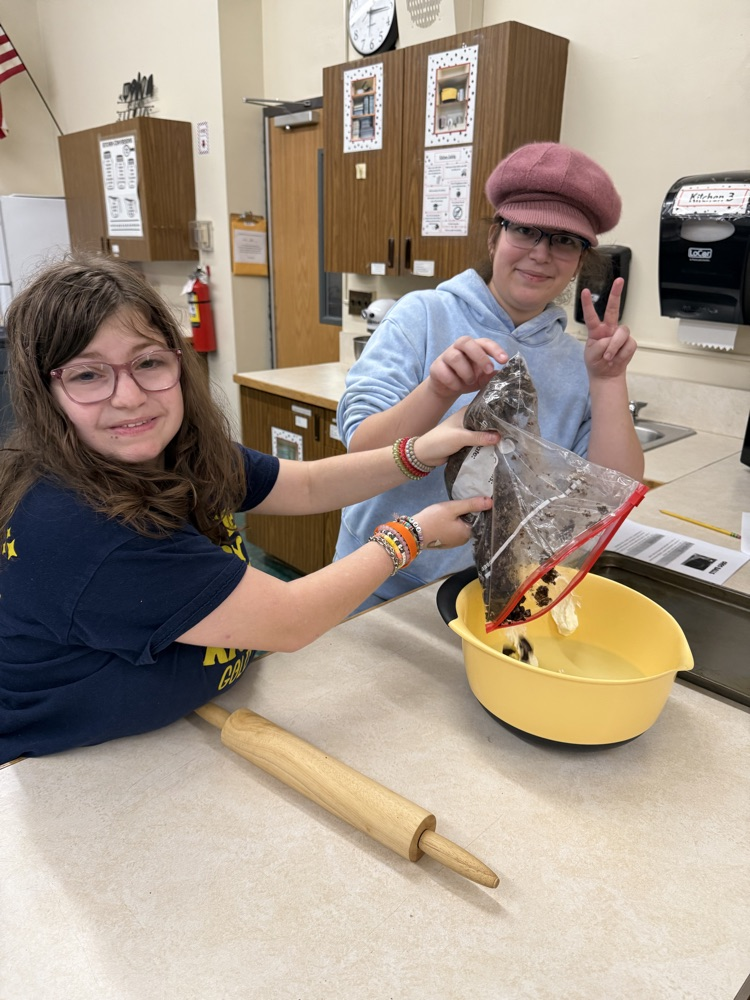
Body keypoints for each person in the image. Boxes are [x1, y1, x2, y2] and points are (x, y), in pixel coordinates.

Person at [0, 254, 501, 762]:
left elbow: (303, 486)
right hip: (66, 769)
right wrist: (412, 534)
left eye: (148, 362)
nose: (129, 397)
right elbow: (289, 620)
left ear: (178, 363)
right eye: (88, 375)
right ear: (44, 393)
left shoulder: (178, 453)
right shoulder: (78, 527)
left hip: (183, 730)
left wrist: (419, 450)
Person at [335, 141, 645, 609]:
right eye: (524, 230)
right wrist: (438, 391)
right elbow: (360, 447)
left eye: (564, 240)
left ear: (581, 260)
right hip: (378, 577)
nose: (541, 254)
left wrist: (607, 381)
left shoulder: (580, 362)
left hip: (495, 593)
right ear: (494, 237)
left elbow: (610, 494)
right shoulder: (422, 315)